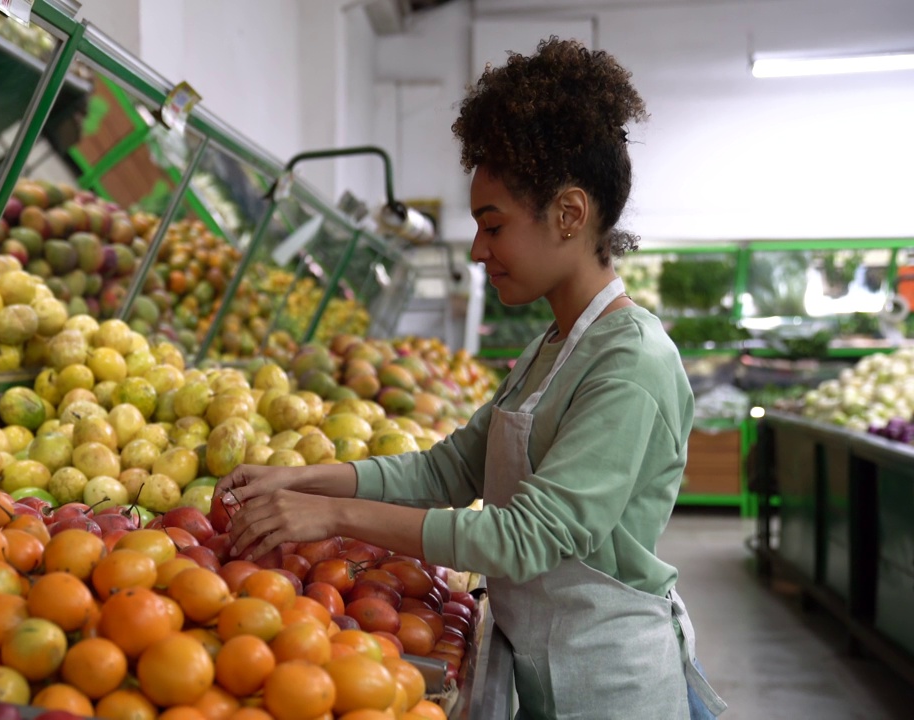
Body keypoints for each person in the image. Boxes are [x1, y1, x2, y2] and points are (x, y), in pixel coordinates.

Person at [217, 38, 727, 720]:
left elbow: (526, 538)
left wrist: (334, 515)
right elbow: (449, 469)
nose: (480, 250)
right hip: (551, 666)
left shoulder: (629, 362)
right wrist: (304, 480)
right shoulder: (558, 345)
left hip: (614, 689)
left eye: (493, 225)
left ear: (570, 214)